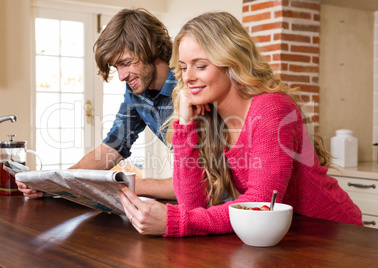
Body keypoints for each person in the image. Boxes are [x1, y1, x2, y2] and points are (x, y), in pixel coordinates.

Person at [118, 11, 363, 237]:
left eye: (200, 66)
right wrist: (185, 123)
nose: (187, 77)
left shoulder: (272, 109)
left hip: (333, 235)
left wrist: (177, 221)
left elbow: (261, 202)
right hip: (279, 237)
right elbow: (192, 203)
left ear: (232, 62)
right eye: (183, 68)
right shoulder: (210, 117)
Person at [16, 8, 176, 200]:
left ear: (150, 48)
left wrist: (129, 184)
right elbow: (113, 146)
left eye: (125, 63)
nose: (122, 76)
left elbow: (201, 182)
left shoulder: (192, 86)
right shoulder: (136, 90)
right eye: (116, 67)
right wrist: (56, 183)